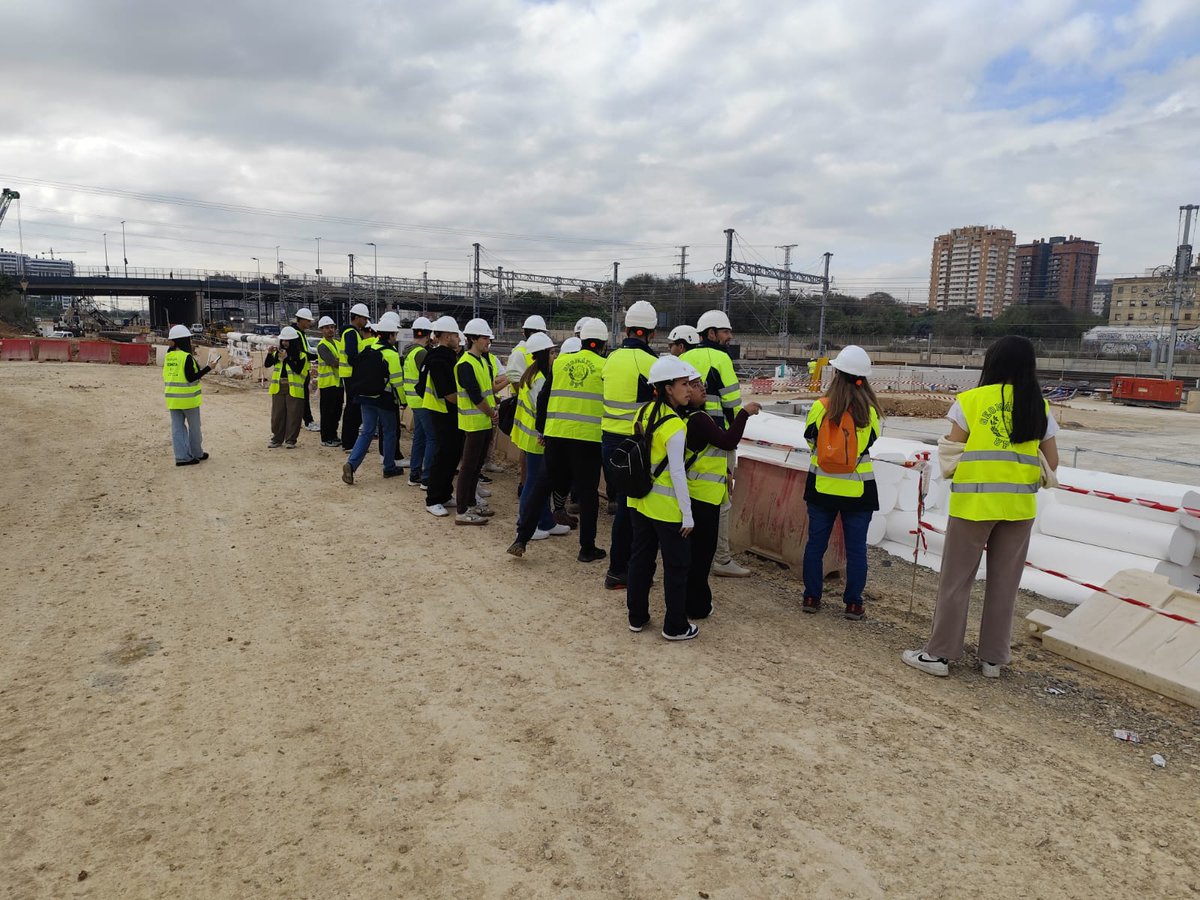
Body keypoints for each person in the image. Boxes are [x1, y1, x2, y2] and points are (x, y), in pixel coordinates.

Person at [903, 335, 1059, 679]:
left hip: (974, 504)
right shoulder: (1039, 406)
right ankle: (993, 660)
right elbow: (1052, 461)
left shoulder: (970, 401)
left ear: (992, 363)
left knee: (956, 581)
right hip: (1018, 508)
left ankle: (940, 656)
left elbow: (951, 451)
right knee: (1005, 584)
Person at [509, 319, 608, 559]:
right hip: (588, 440)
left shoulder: (561, 362)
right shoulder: (605, 366)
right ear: (603, 345)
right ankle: (587, 548)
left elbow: (543, 399)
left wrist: (543, 430)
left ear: (582, 340)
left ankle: (521, 538)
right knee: (588, 493)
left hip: (556, 436)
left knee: (542, 487)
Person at [800, 346, 882, 620]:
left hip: (822, 488)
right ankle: (853, 603)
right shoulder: (870, 412)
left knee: (816, 545)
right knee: (857, 549)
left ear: (836, 373)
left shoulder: (819, 407)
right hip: (859, 491)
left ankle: (812, 596)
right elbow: (870, 442)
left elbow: (810, 439)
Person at [626, 356, 700, 640]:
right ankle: (675, 626)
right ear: (668, 388)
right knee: (677, 567)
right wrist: (688, 514)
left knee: (641, 560)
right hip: (667, 508)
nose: (689, 390)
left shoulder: (642, 412)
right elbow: (678, 473)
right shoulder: (676, 426)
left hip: (640, 500)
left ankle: (637, 616)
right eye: (683, 384)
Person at [683, 374, 761, 619]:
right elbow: (728, 441)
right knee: (701, 556)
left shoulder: (680, 416)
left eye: (700, 384)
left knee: (692, 555)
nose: (700, 389)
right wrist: (744, 414)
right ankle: (697, 605)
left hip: (695, 493)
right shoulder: (699, 419)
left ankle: (690, 601)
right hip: (703, 496)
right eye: (692, 385)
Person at [683, 309, 749, 578]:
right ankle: (720, 559)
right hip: (717, 438)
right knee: (721, 500)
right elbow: (733, 403)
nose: (729, 337)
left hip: (687, 436)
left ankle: (689, 550)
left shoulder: (684, 357)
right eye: (725, 332)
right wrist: (731, 439)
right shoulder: (721, 358)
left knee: (688, 494)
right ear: (711, 333)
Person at [599, 300, 659, 590]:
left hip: (609, 439)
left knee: (625, 505)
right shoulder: (650, 363)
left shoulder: (610, 358)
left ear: (625, 329)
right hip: (634, 442)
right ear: (652, 333)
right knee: (630, 510)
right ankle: (619, 570)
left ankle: (621, 569)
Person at [510, 332, 571, 542]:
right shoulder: (539, 380)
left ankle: (545, 521)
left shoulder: (533, 374)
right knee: (534, 483)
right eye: (552, 352)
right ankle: (526, 523)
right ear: (543, 354)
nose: (555, 356)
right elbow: (543, 410)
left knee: (543, 482)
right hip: (537, 438)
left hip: (532, 437)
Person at [341, 316, 403, 483]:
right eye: (395, 334)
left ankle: (351, 464)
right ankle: (389, 467)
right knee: (389, 432)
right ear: (391, 336)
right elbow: (397, 381)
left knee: (367, 432)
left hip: (364, 396)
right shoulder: (391, 353)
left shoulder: (367, 347)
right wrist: (402, 401)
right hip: (384, 399)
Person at [454, 318, 499, 526]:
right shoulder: (465, 364)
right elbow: (475, 395)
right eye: (484, 337)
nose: (488, 341)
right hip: (474, 423)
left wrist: (492, 410)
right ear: (473, 339)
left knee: (476, 466)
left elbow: (487, 391)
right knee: (468, 467)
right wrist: (492, 413)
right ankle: (462, 510)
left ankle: (471, 503)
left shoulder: (483, 361)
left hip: (484, 422)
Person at [420, 316, 463, 517]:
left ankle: (445, 494)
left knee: (452, 453)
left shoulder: (444, 356)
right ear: (447, 336)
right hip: (442, 412)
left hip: (446, 412)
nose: (458, 338)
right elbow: (448, 394)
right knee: (444, 454)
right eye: (455, 334)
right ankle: (433, 498)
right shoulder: (439, 359)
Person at [163, 323, 217, 466]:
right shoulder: (186, 357)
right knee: (194, 428)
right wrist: (208, 368)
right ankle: (196, 453)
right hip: (188, 399)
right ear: (184, 340)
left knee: (177, 428)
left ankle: (181, 457)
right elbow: (192, 377)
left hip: (173, 399)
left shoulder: (169, 356)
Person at [401, 315, 434, 488]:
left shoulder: (409, 351)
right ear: (428, 335)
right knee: (432, 438)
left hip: (414, 401)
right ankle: (426, 477)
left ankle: (414, 474)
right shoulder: (421, 353)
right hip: (423, 401)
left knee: (420, 437)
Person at [265, 326, 309, 449]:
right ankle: (277, 439)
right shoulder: (277, 353)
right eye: (283, 340)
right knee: (277, 414)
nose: (285, 343)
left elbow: (298, 370)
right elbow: (268, 364)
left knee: (294, 415)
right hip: (278, 387)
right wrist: (269, 353)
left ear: (294, 341)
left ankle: (291, 440)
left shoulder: (301, 356)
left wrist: (287, 359)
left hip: (294, 389)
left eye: (287, 341)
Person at [338, 303, 373, 452]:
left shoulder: (350, 332)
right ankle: (349, 442)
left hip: (349, 375)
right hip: (352, 376)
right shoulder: (351, 333)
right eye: (364, 318)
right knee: (353, 409)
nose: (365, 322)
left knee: (351, 409)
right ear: (357, 317)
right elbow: (352, 356)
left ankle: (348, 441)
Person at [315, 315, 343, 447]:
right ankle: (326, 438)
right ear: (321, 330)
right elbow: (333, 362)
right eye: (326, 328)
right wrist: (345, 362)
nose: (330, 330)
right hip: (327, 384)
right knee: (327, 412)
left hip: (338, 383)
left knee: (336, 412)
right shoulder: (322, 346)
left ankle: (333, 435)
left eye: (332, 327)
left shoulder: (338, 343)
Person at [292, 307, 320, 433]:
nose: (310, 323)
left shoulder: (300, 333)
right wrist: (317, 357)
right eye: (308, 321)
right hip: (298, 373)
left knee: (302, 398)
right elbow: (301, 353)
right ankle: (308, 421)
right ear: (301, 320)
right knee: (301, 398)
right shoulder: (295, 334)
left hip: (302, 372)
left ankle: (305, 420)